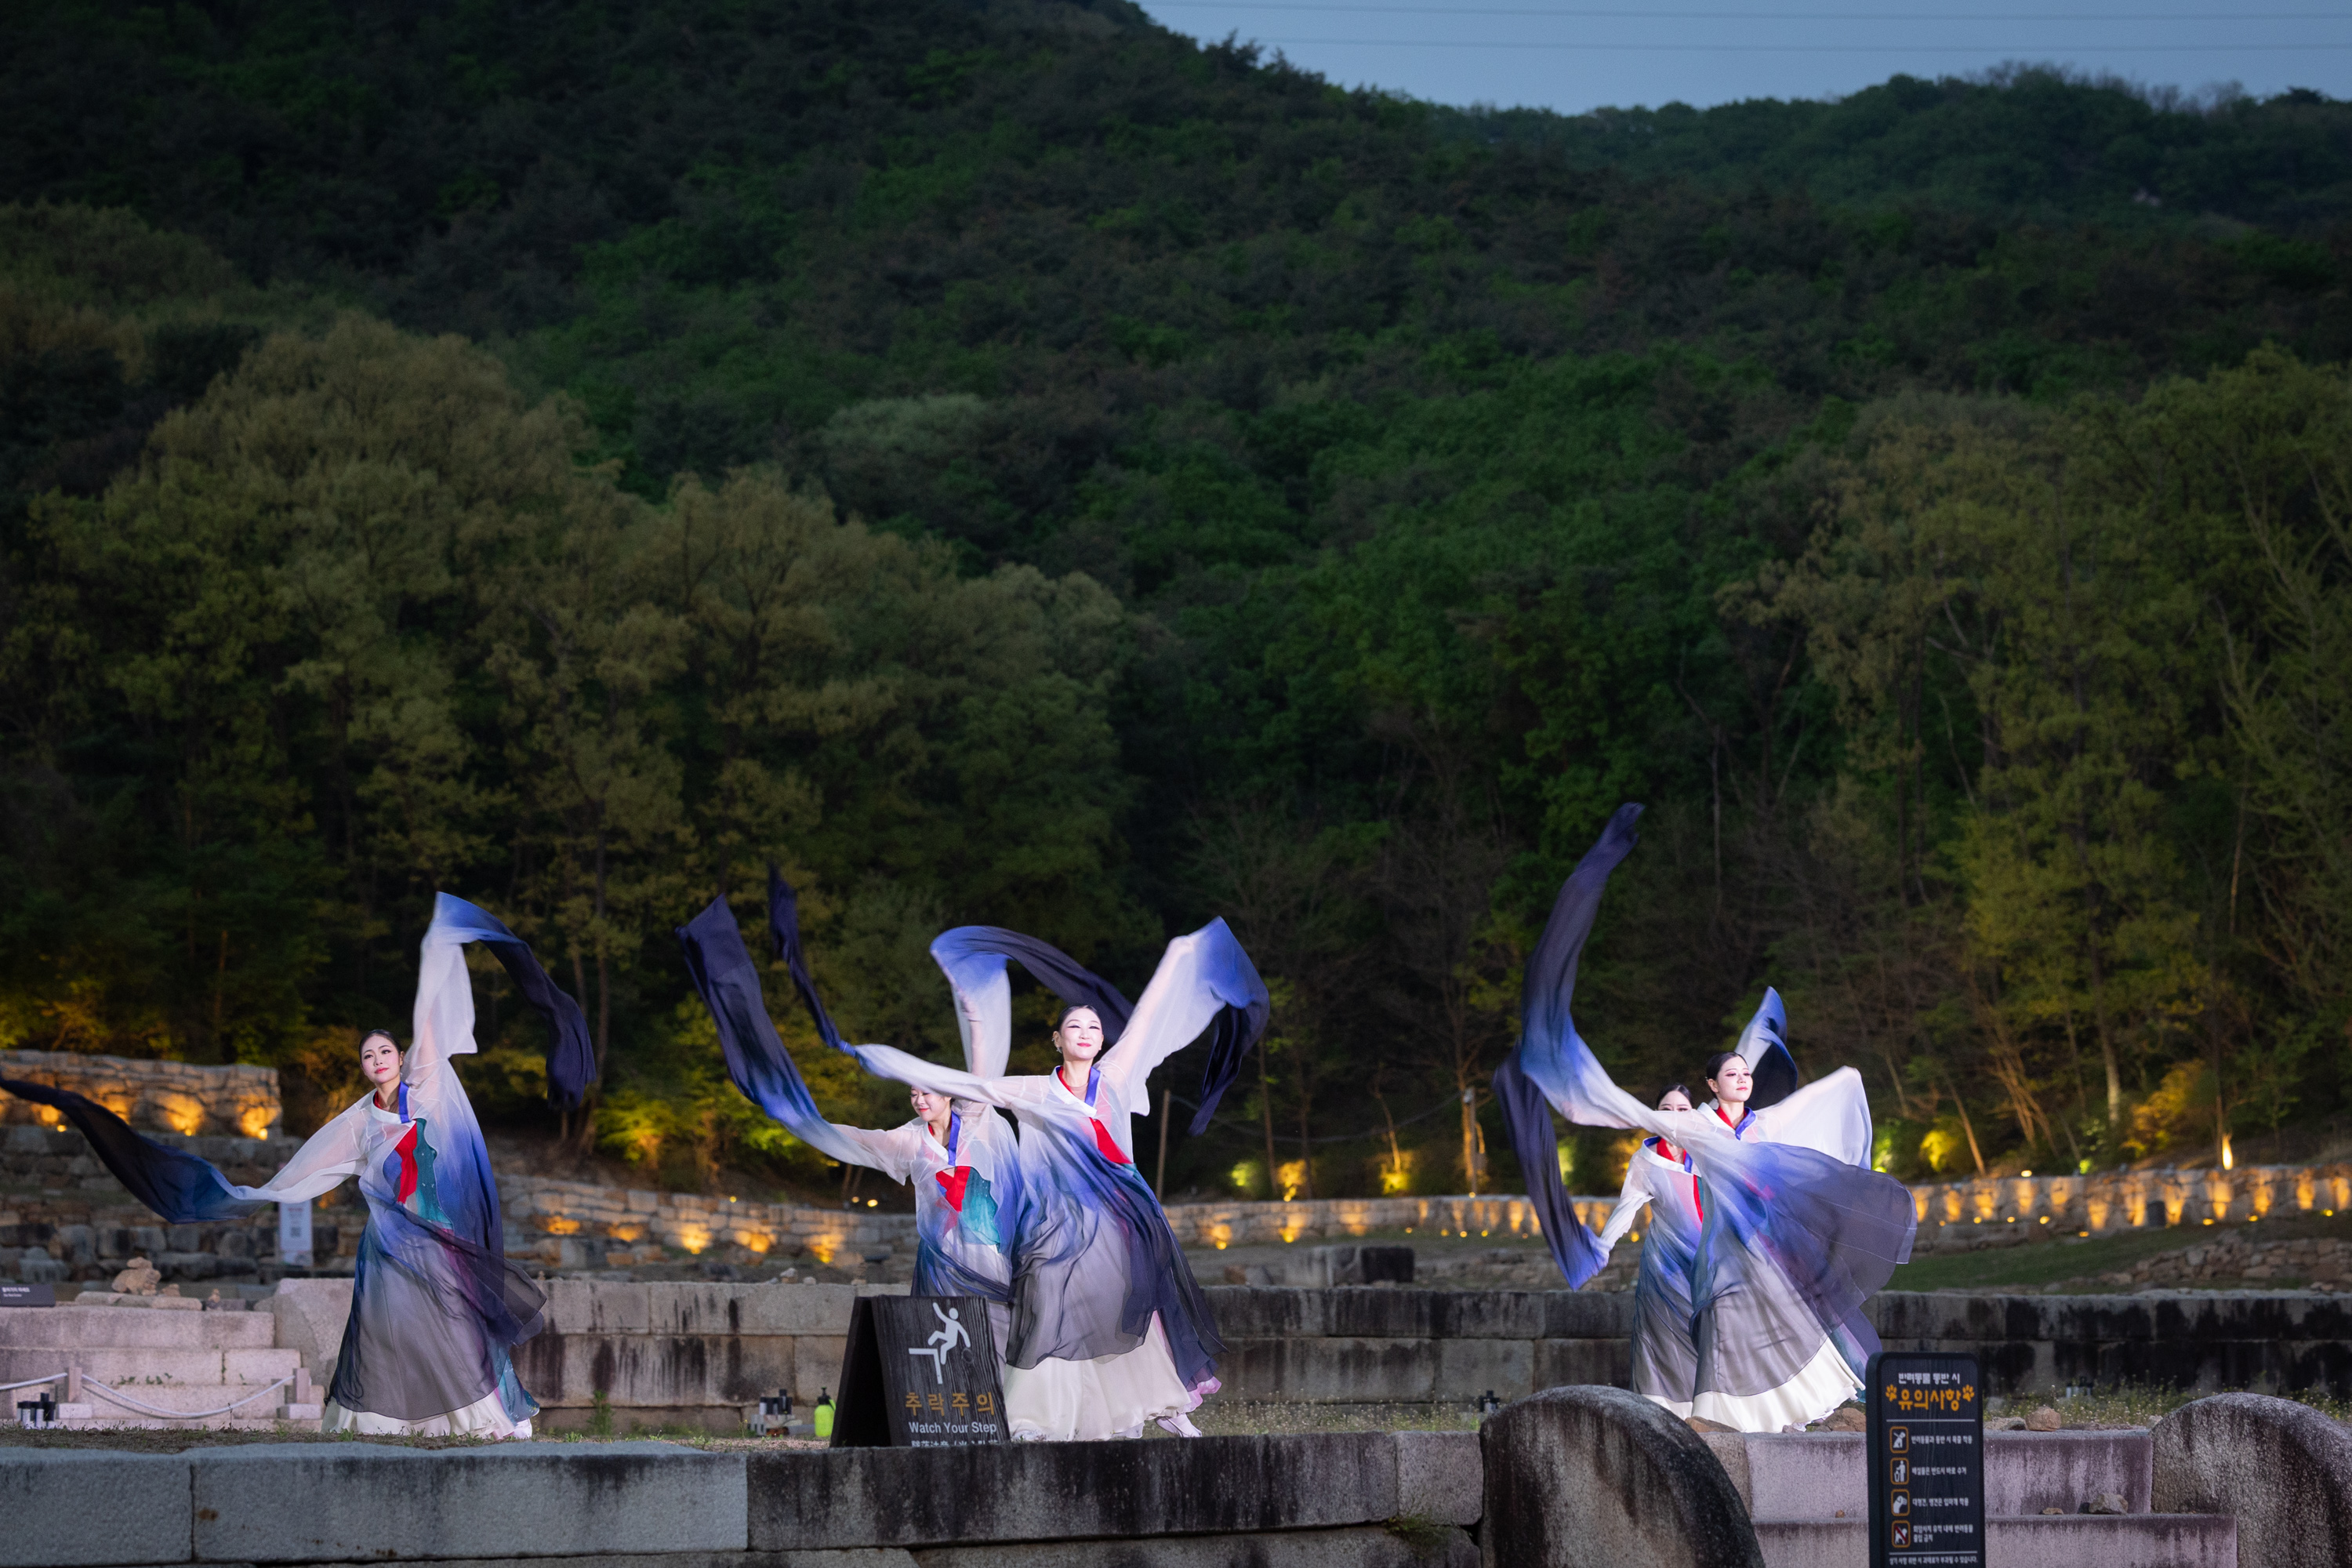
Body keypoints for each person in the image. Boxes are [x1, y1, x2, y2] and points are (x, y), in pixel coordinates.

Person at [0, 895, 594, 1438]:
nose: (378, 1059)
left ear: (400, 1056)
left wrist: (440, 940)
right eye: (368, 1055)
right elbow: (303, 1172)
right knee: (387, 1330)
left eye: (385, 1050)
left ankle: (479, 1418)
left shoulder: (428, 1085)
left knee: (454, 1322)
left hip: (436, 1234)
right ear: (362, 1068)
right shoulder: (358, 1121)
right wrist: (248, 1193)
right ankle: (378, 1424)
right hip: (389, 1243)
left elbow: (433, 1013)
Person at [1495, 802, 1915, 1432]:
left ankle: (1806, 1409)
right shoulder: (1693, 1129)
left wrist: (1774, 1036)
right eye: (1732, 1076)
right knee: (1710, 1327)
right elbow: (1635, 1127)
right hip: (1710, 1255)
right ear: (1711, 1089)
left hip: (1758, 1248)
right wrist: (1566, 1076)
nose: (1743, 1080)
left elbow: (1826, 1094)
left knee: (1788, 1318)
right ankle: (1707, 1418)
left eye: (1747, 1074)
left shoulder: (1761, 1125)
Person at [849, 919, 1269, 1441]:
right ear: (1057, 1039)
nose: (1086, 1033)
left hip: (1117, 1219)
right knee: (1047, 1302)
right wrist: (895, 1063)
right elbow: (974, 1085)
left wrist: (1182, 953)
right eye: (1075, 1026)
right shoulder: (1036, 1091)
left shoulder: (1115, 1077)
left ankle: (1163, 1402)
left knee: (1125, 1308)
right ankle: (1035, 1417)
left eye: (1094, 1027)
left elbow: (1147, 1017)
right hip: (1056, 1225)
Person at [673, 878, 1022, 1361]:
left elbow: (982, 1069)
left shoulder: (976, 1118)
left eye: (927, 1091)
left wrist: (971, 1007)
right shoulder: (910, 1141)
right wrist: (802, 1121)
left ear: (947, 1093)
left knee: (998, 1339)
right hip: (942, 1261)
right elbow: (857, 1138)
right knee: (949, 1349)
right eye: (913, 1093)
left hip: (989, 1255)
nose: (919, 1099)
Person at [1592, 1085, 1704, 1417]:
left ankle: (1712, 1410)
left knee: (1711, 1333)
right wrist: (1604, 1246)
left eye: (1682, 1109)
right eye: (1666, 1109)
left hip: (1708, 1257)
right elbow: (1627, 1207)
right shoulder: (1647, 1159)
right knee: (1663, 1337)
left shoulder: (1708, 1150)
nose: (1674, 1115)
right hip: (1666, 1262)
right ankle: (1664, 1412)